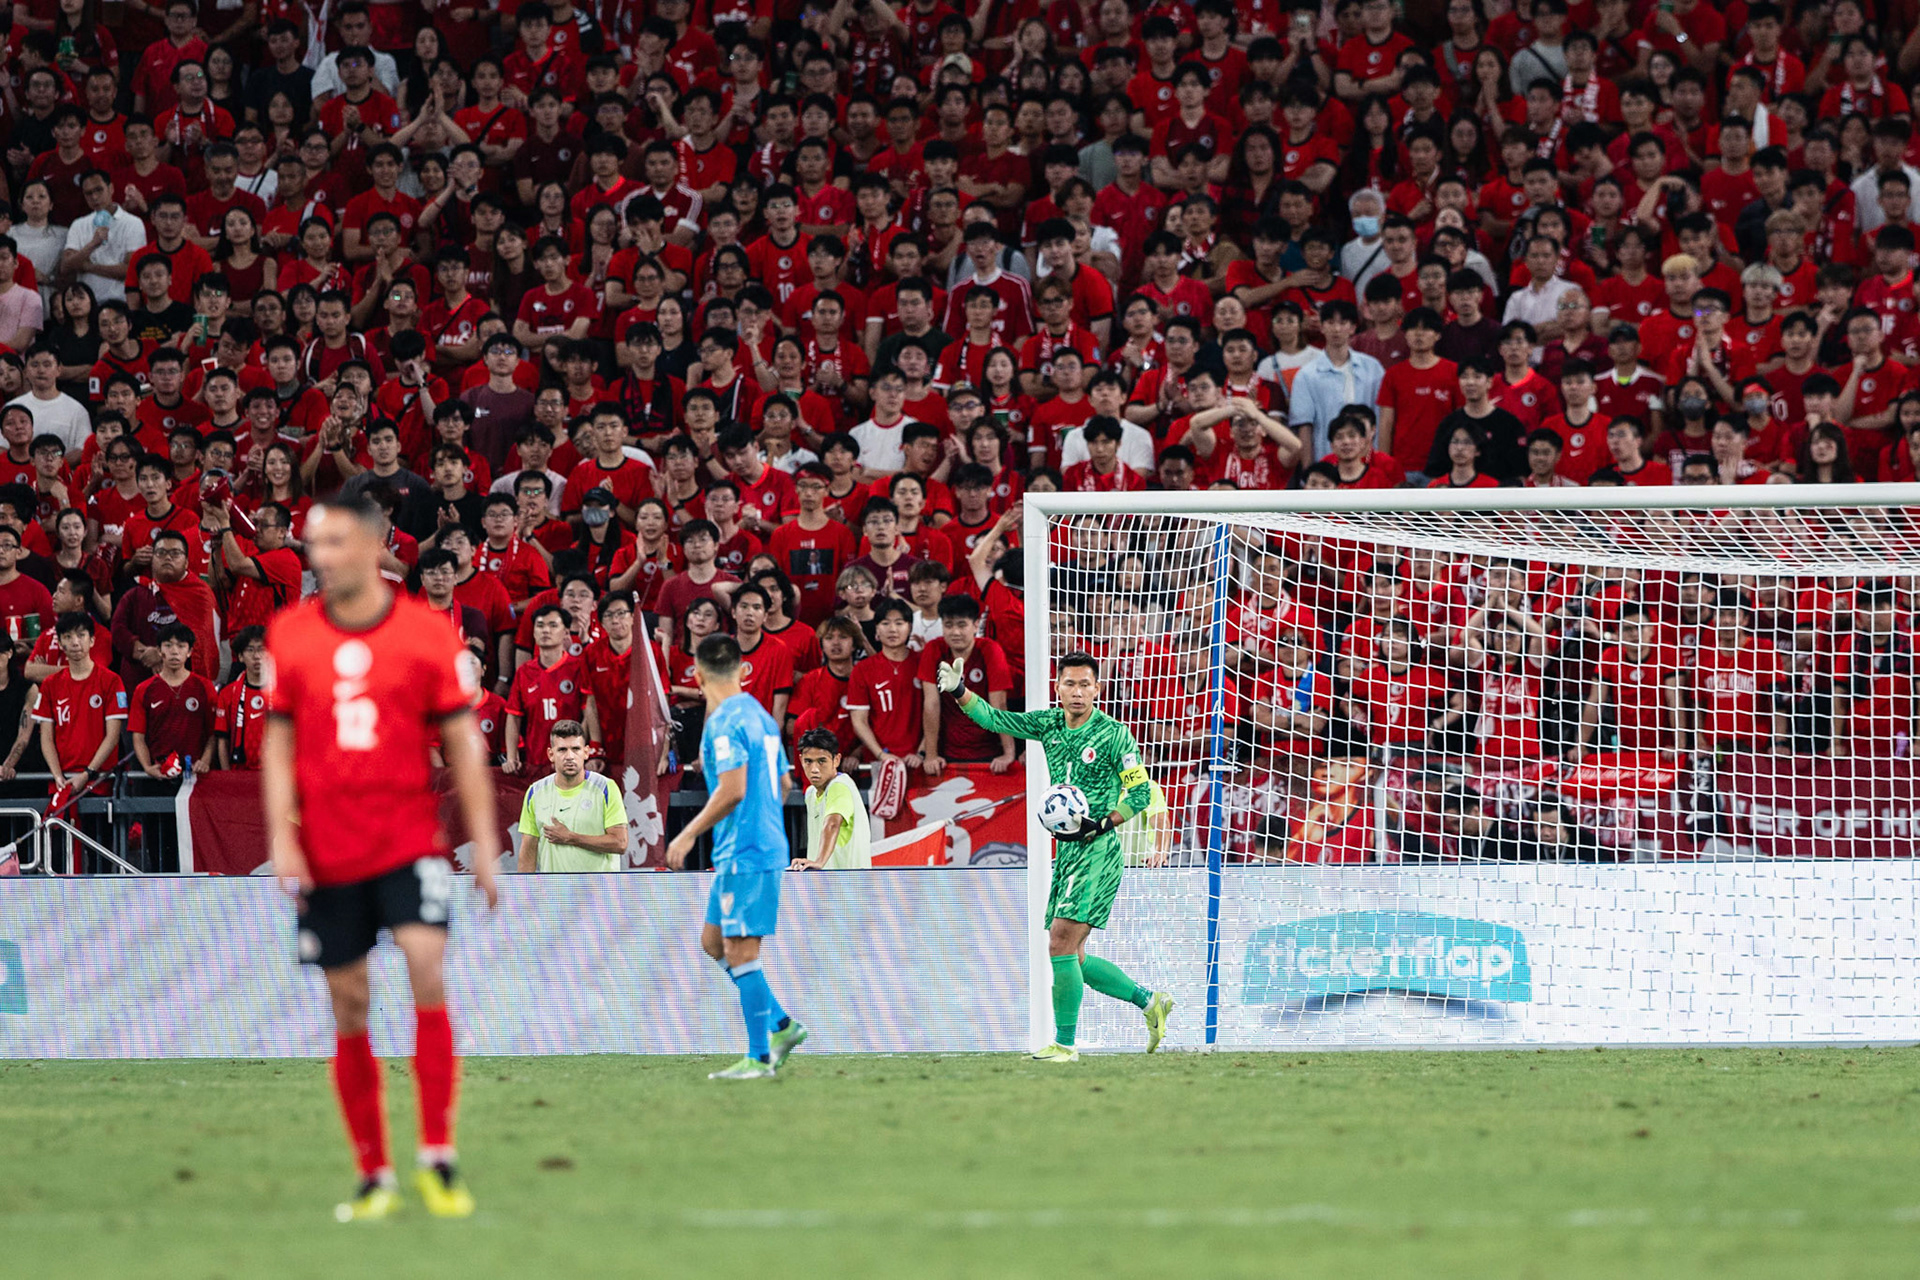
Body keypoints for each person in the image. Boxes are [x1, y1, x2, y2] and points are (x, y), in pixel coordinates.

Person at [262, 495, 502, 1221]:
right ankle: (374, 1174)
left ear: (372, 546)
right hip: (330, 845)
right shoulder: (290, 633)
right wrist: (281, 832)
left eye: (334, 542)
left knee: (427, 964)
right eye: (313, 544)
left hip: (408, 837)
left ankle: (437, 1154)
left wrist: (486, 844)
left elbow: (462, 741)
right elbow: (278, 741)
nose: (320, 556)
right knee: (350, 1001)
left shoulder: (427, 634)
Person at [942, 650, 1172, 1061]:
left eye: (1086, 684)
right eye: (1070, 683)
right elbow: (997, 720)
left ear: (1098, 689)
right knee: (1074, 956)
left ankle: (1065, 1045)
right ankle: (1149, 1001)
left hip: (1098, 850)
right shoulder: (1048, 724)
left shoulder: (1116, 734)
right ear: (1058, 687)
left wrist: (1103, 823)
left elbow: (1139, 793)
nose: (1078, 692)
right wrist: (961, 691)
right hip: (1067, 850)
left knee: (1059, 944)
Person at [664, 634, 811, 1080]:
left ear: (698, 675)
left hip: (746, 850)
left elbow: (732, 789)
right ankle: (782, 1025)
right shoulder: (763, 717)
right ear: (743, 670)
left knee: (740, 950)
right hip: (755, 844)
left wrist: (686, 835)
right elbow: (784, 786)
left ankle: (759, 1057)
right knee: (713, 943)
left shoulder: (724, 722)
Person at [514, 718, 629, 873]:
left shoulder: (605, 788)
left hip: (599, 893)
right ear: (551, 754)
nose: (569, 756)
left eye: (576, 749)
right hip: (554, 893)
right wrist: (524, 893)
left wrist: (571, 837)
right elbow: (528, 850)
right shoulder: (536, 792)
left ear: (586, 752)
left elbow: (620, 843)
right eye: (562, 750)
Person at [793, 727, 872, 871]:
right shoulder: (811, 793)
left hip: (849, 886)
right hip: (825, 884)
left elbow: (832, 824)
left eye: (821, 761)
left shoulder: (839, 786)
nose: (814, 769)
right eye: (808, 761)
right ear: (800, 760)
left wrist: (819, 862)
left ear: (836, 760)